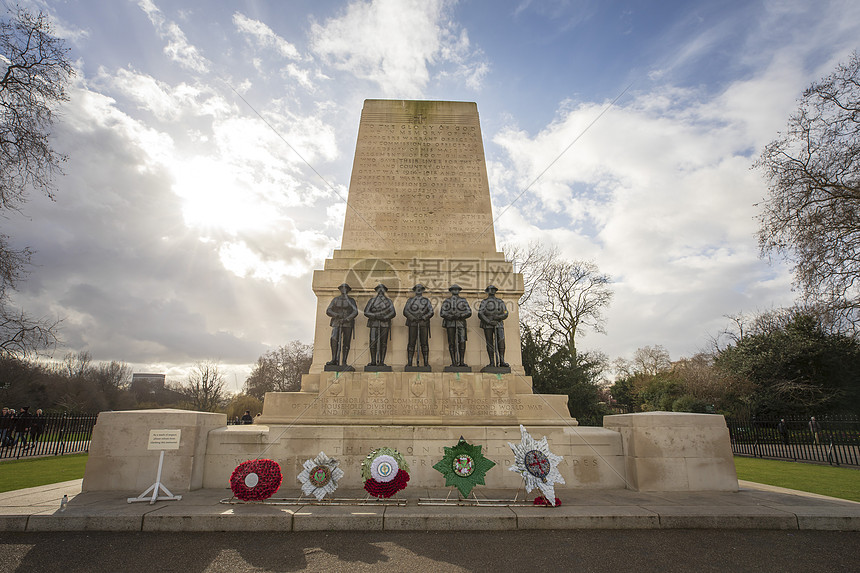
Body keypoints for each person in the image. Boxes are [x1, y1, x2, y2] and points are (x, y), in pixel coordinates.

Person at [325, 283, 358, 369]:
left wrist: (347, 319)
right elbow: (328, 310)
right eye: (342, 288)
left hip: (347, 323)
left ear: (348, 290)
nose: (344, 290)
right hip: (337, 322)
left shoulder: (351, 300)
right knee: (334, 338)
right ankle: (334, 359)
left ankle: (344, 361)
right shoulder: (335, 299)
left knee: (346, 342)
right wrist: (336, 315)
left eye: (346, 288)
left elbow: (355, 311)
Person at [364, 283, 396, 367]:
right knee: (373, 341)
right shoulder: (372, 300)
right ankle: (373, 361)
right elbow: (366, 312)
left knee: (383, 343)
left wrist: (385, 317)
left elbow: (393, 312)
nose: (381, 291)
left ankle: (381, 361)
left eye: (382, 289)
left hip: (384, 324)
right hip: (374, 323)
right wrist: (375, 315)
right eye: (379, 289)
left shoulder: (389, 301)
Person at [478, 285, 509, 369]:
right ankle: (492, 362)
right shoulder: (484, 302)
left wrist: (499, 317)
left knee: (501, 341)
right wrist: (489, 321)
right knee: (489, 342)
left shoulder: (500, 301)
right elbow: (480, 313)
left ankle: (502, 361)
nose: (492, 291)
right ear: (487, 291)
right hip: (488, 324)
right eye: (490, 290)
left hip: (498, 324)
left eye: (493, 290)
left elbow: (505, 312)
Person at [403, 284, 434, 368]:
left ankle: (426, 362)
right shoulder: (410, 300)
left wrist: (424, 317)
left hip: (423, 323)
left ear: (422, 290)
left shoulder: (426, 300)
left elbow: (431, 311)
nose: (418, 290)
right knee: (411, 343)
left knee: (424, 343)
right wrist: (412, 318)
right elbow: (406, 311)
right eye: (417, 289)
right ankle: (409, 362)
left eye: (420, 289)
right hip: (413, 323)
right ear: (415, 290)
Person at [440, 284, 472, 367]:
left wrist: (461, 315)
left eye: (457, 289)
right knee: (451, 343)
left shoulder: (463, 300)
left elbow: (468, 312)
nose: (455, 291)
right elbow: (442, 313)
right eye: (453, 289)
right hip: (450, 323)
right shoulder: (447, 301)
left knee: (462, 341)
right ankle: (453, 361)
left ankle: (461, 361)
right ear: (451, 291)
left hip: (460, 323)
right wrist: (450, 316)